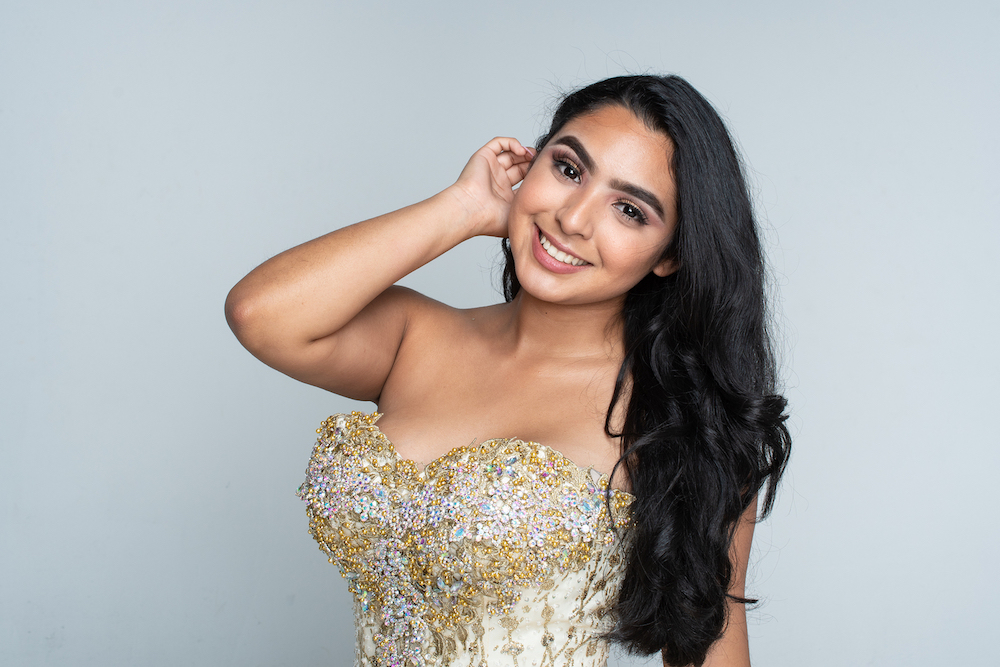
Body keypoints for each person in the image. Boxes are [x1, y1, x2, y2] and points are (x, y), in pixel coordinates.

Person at [226, 74, 791, 667]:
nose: (573, 218)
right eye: (569, 170)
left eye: (629, 210)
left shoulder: (678, 419)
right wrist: (462, 208)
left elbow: (712, 653)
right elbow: (259, 314)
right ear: (530, 163)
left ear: (671, 254)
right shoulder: (415, 338)